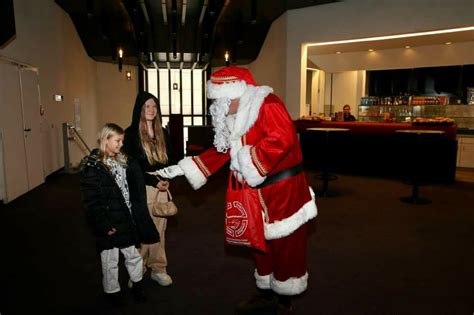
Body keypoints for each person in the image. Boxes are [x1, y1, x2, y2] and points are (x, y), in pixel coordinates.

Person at [157, 66, 318, 314]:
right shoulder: (233, 115)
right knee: (258, 242)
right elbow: (224, 150)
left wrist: (248, 160)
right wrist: (184, 168)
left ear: (234, 94)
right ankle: (265, 292)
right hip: (253, 191)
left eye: (218, 100)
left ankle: (284, 299)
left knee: (285, 243)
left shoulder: (268, 103)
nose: (215, 107)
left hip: (282, 189)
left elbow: (282, 139)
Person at [80, 123, 159, 304]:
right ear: (105, 140)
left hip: (126, 218)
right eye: (117, 140)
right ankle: (112, 292)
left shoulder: (124, 160)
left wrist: (155, 181)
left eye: (122, 141)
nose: (121, 144)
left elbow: (140, 175)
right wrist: (103, 224)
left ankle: (137, 285)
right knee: (110, 259)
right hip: (109, 222)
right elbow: (91, 202)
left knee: (133, 255)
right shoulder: (93, 167)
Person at [123, 91, 174, 287]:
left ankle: (158, 269)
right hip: (141, 187)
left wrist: (168, 176)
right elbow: (132, 167)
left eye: (154, 106)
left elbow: (172, 159)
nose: (151, 110)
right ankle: (138, 269)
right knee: (144, 230)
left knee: (160, 230)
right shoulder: (131, 134)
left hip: (162, 186)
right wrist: (154, 182)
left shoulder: (163, 132)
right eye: (147, 107)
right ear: (140, 110)